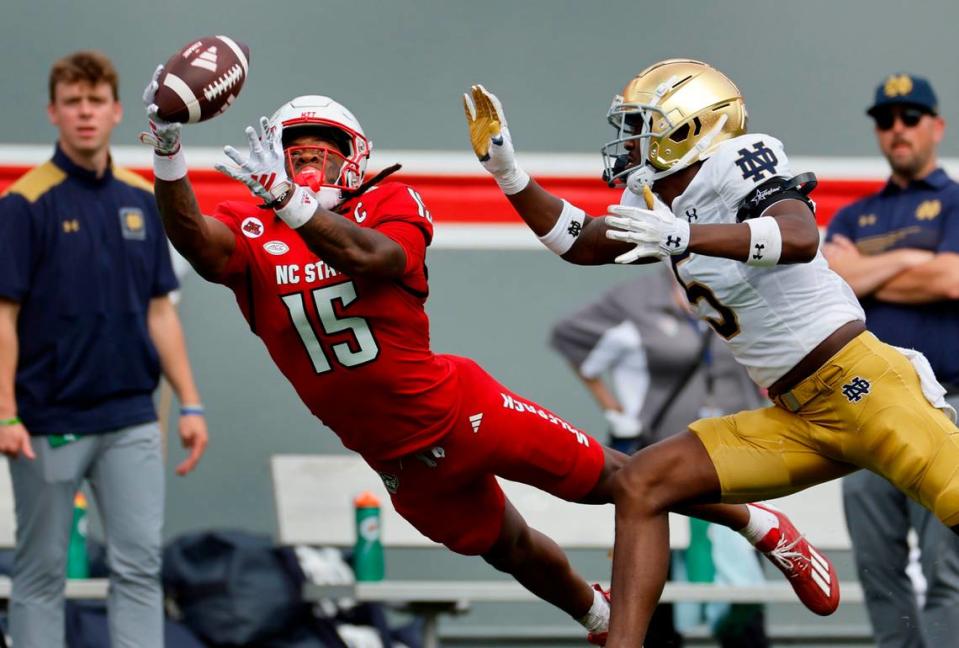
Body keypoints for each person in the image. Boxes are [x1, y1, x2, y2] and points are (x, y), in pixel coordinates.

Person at [139, 60, 837, 646]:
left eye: (324, 149)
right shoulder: (251, 225)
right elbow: (198, 244)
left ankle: (760, 523)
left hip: (459, 409)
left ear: (354, 157)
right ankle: (595, 615)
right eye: (296, 149)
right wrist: (167, 146)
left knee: (615, 481)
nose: (308, 159)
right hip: (394, 459)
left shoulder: (387, 202)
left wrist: (294, 205)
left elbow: (377, 258)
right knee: (510, 549)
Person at [462, 58, 959, 647]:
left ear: (690, 126)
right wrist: (510, 174)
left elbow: (799, 236)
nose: (632, 141)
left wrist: (684, 236)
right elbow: (583, 243)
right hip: (797, 415)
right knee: (642, 483)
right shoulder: (655, 194)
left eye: (645, 126)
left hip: (864, 388)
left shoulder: (737, 159)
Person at [0, 51, 209, 648]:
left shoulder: (143, 198)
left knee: (139, 569)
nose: (85, 114)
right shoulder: (23, 205)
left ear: (117, 112)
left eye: (96, 102)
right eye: (73, 103)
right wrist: (6, 412)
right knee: (40, 575)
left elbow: (160, 310)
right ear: (53, 112)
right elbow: (3, 318)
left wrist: (190, 404)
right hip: (47, 421)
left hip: (131, 420)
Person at [550, 267, 770, 648]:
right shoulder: (637, 298)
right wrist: (618, 411)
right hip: (661, 457)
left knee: (744, 586)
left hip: (735, 458)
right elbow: (570, 337)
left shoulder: (741, 290)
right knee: (656, 594)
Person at [823, 73, 959, 648]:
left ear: (936, 126)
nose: (897, 129)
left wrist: (869, 272)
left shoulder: (955, 202)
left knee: (947, 572)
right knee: (879, 574)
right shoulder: (854, 217)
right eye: (886, 119)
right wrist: (913, 259)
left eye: (909, 117)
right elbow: (832, 283)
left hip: (947, 406)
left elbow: (952, 278)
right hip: (867, 411)